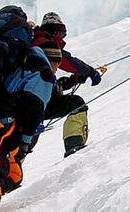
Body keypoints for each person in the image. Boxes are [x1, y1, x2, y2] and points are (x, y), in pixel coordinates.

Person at [0, 6, 57, 212]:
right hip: (5, 122)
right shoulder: (30, 59)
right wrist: (25, 140)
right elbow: (34, 104)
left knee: (12, 174)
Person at [30, 12, 104, 157]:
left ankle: (7, 173)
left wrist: (72, 81)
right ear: (56, 31)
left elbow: (42, 82)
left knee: (23, 141)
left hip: (32, 101)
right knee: (25, 137)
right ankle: (74, 146)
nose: (62, 39)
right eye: (62, 35)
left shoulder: (34, 43)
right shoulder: (43, 43)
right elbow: (67, 60)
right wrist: (89, 71)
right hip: (33, 103)